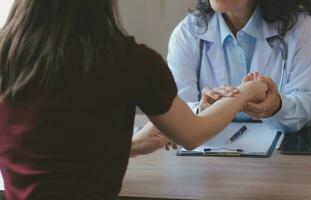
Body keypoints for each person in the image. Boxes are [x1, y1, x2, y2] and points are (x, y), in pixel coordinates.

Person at [0, 0, 268, 199]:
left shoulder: (7, 53)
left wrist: (132, 146)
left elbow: (50, 148)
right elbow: (193, 134)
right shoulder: (129, 61)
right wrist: (246, 92)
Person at [167, 0, 311, 132]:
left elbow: (308, 107)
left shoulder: (303, 29)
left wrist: (277, 107)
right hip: (210, 154)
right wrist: (200, 111)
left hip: (282, 157)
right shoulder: (186, 33)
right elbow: (177, 111)